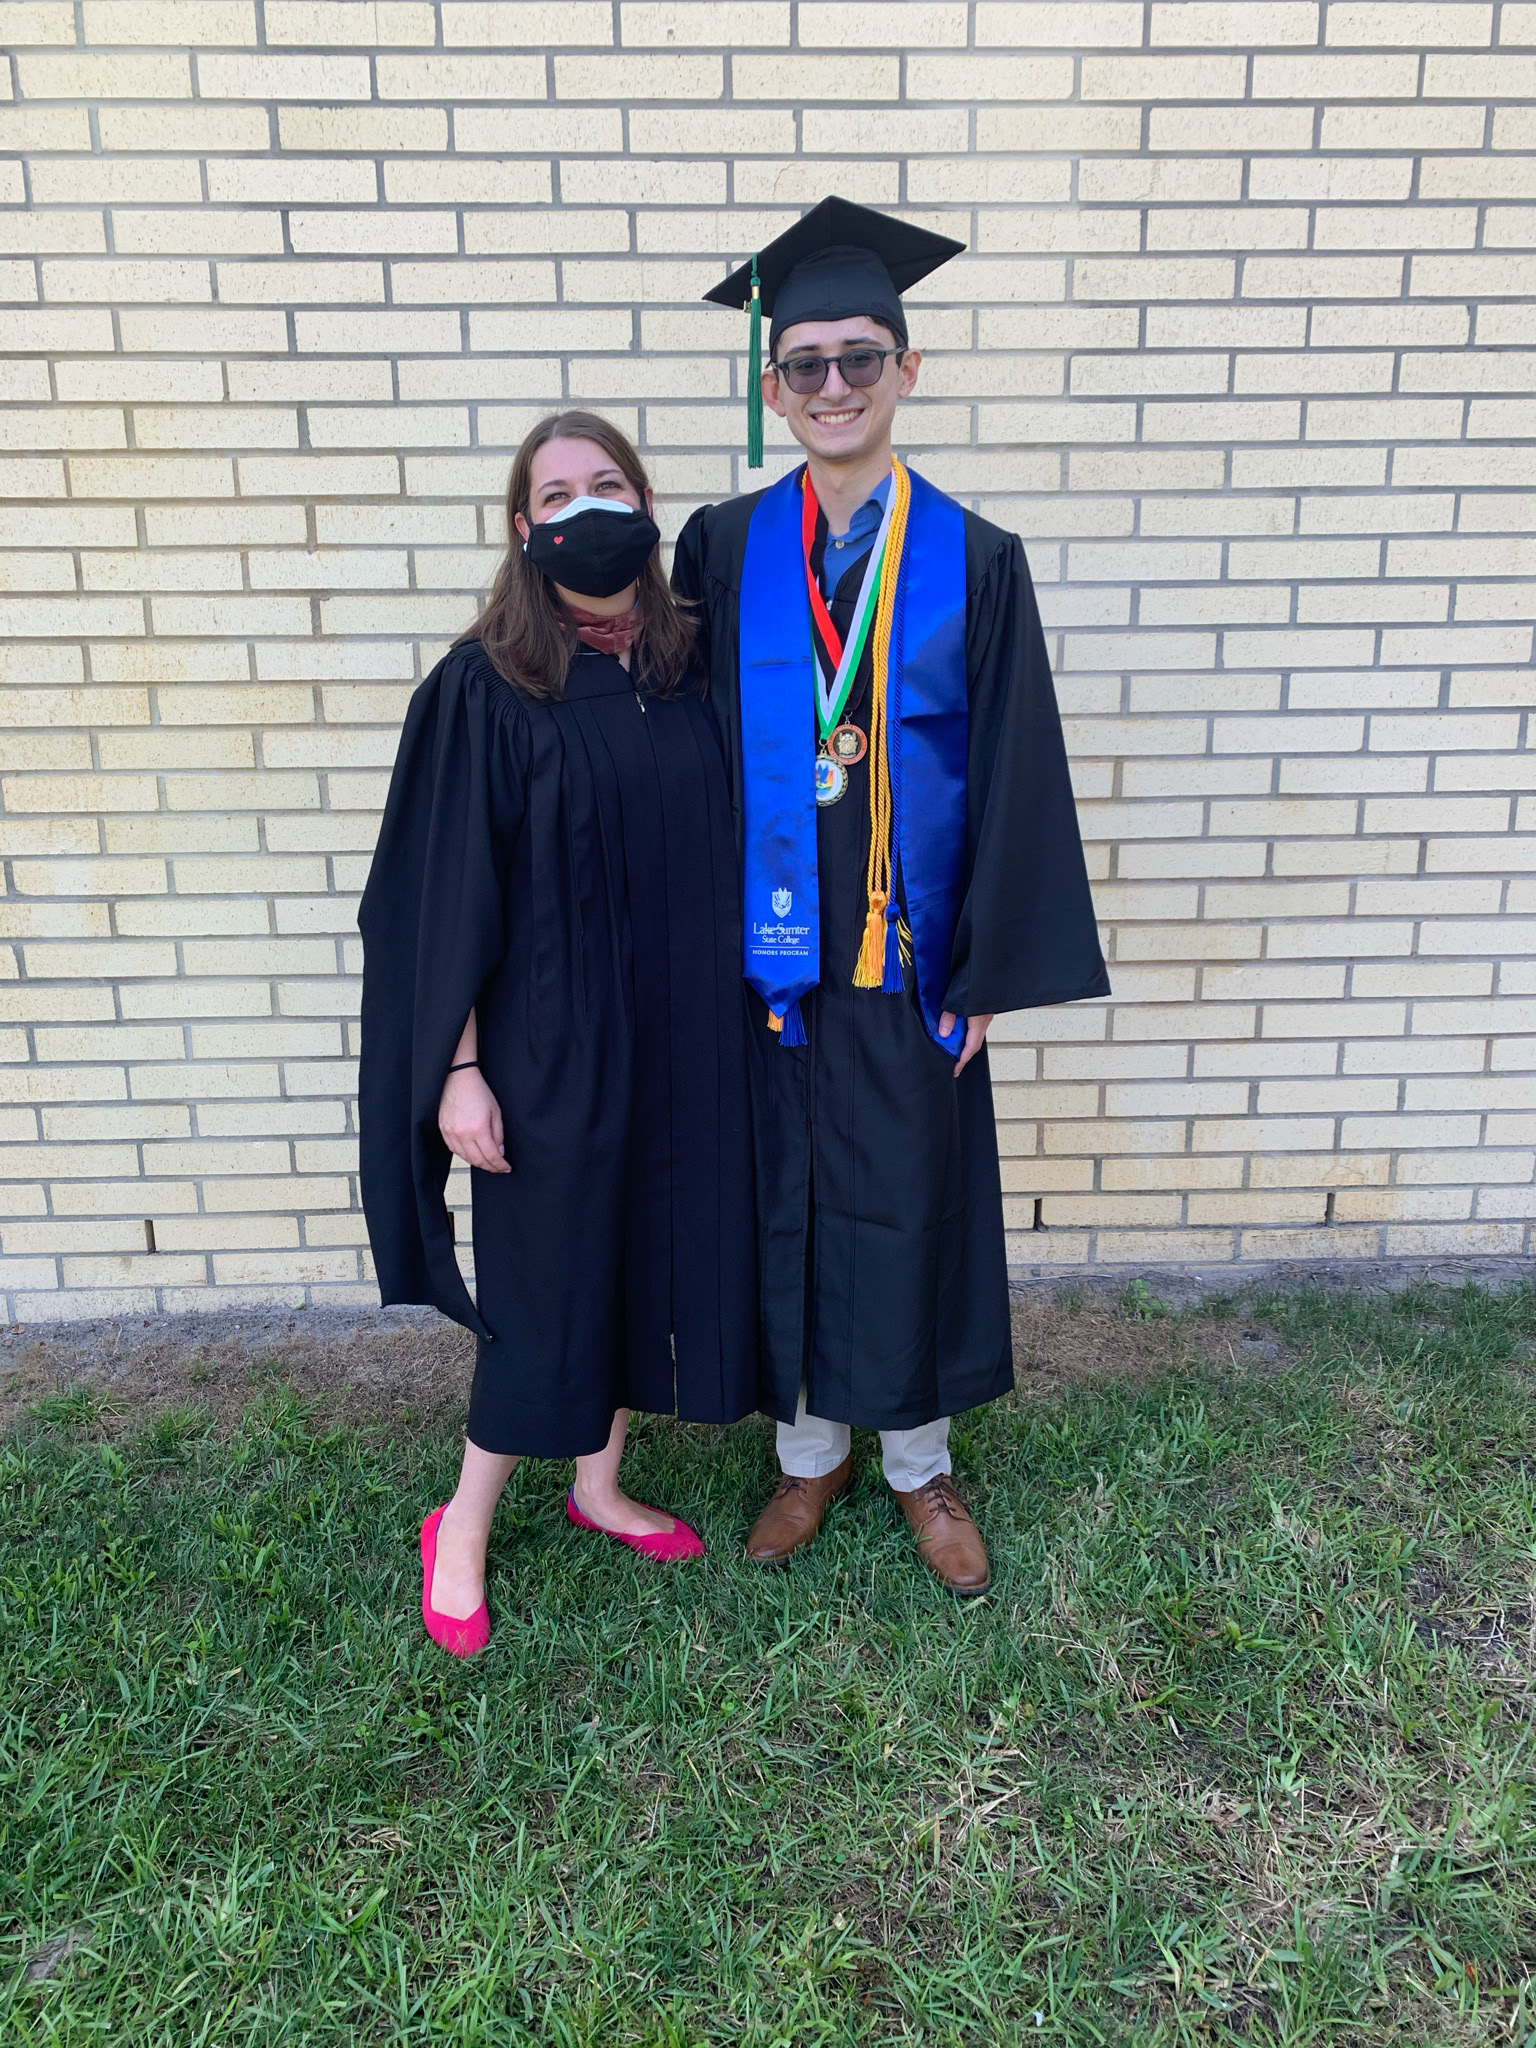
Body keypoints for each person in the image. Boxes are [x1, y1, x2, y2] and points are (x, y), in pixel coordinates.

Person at [674, 197, 1109, 1595]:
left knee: (909, 1196)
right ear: (772, 385)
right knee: (783, 1197)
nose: (836, 386)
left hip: (909, 957)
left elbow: (1019, 771)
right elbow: (679, 759)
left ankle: (919, 1465)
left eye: (863, 357)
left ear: (907, 369)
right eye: (805, 363)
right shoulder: (724, 548)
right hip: (768, 961)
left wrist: (981, 969)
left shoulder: (976, 560)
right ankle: (811, 1456)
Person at [359, 410, 758, 1657]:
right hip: (549, 1044)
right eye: (556, 491)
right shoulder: (484, 685)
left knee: (643, 1256)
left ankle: (596, 1485)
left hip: (688, 1031)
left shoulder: (693, 667)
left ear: (645, 500)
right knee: (548, 1282)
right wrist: (462, 1069)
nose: (586, 505)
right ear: (524, 527)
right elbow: (436, 900)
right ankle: (463, 1522)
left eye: (608, 481)